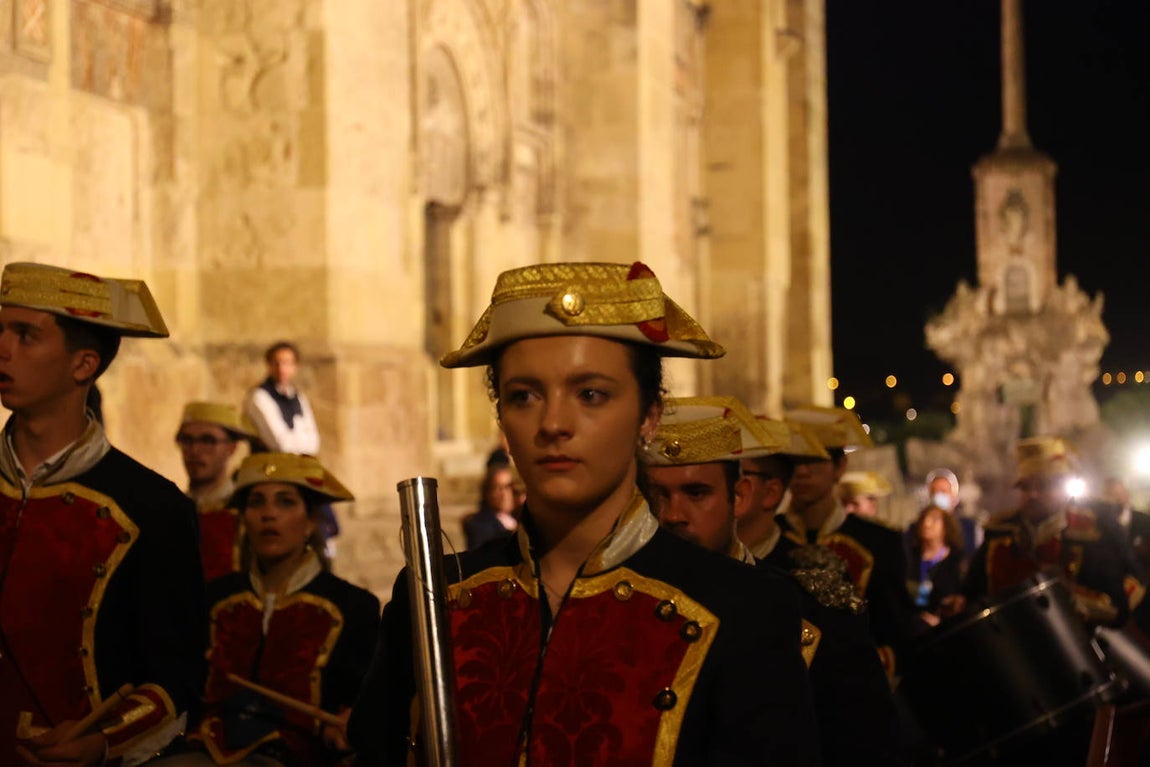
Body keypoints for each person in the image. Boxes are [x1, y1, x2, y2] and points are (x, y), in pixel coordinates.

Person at [349, 261, 818, 765]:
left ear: (649, 417)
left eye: (590, 394)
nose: (553, 423)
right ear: (502, 420)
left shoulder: (744, 607)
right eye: (524, 396)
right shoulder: (432, 596)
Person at [0, 262, 207, 765]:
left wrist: (101, 742)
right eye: (0, 330)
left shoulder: (153, 508)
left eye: (25, 335)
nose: (3, 349)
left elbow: (175, 678)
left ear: (83, 365)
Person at [645, 395, 902, 767]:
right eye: (657, 495)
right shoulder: (622, 611)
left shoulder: (817, 615)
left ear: (740, 495)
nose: (673, 515)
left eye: (696, 493)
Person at [154, 453, 380, 766]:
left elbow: (364, 702)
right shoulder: (215, 599)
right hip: (205, 749)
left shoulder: (353, 606)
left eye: (285, 502)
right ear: (244, 517)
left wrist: (351, 721)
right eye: (257, 503)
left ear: (311, 520)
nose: (268, 514)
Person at [778, 405, 917, 679]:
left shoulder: (878, 542)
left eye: (813, 461)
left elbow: (898, 631)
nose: (802, 472)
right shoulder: (769, 536)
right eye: (793, 462)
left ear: (839, 467)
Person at [962, 436, 1138, 627]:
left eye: (1043, 485)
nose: (1033, 495)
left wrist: (1073, 603)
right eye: (1025, 487)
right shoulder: (999, 531)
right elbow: (973, 593)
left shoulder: (1095, 533)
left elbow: (1117, 606)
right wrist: (959, 602)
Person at [176, 401, 256, 581]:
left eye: (208, 441)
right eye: (187, 440)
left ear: (231, 447)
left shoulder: (245, 513)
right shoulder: (171, 510)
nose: (195, 450)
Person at [906, 504, 963, 631]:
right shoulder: (909, 556)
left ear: (946, 526)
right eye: (924, 518)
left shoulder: (957, 561)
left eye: (934, 519)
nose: (926, 524)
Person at [462, 462, 519, 549]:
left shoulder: (520, 518)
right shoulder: (480, 526)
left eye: (508, 487)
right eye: (498, 488)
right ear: (488, 493)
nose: (504, 494)